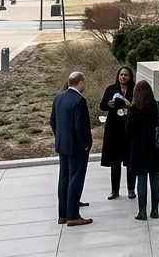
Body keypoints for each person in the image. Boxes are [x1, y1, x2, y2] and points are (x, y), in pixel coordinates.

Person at [49, 71, 93, 226]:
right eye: (84, 82)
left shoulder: (58, 98)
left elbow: (52, 121)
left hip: (63, 145)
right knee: (76, 178)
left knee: (64, 178)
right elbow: (81, 126)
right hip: (77, 147)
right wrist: (86, 143)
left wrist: (60, 137)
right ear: (80, 82)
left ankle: (63, 214)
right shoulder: (79, 100)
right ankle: (73, 215)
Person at [125, 81, 159, 220]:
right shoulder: (158, 106)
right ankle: (155, 210)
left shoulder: (133, 109)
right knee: (155, 178)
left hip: (138, 147)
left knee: (141, 179)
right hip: (156, 146)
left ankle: (142, 211)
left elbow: (128, 130)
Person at [99, 66, 136, 200]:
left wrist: (131, 106)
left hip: (129, 130)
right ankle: (115, 190)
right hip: (114, 130)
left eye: (126, 75)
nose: (123, 77)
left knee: (130, 161)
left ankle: (131, 189)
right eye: (121, 74)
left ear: (130, 76)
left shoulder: (135, 89)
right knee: (115, 162)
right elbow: (102, 105)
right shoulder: (111, 89)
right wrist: (109, 104)